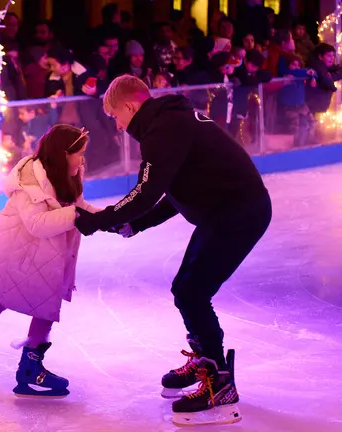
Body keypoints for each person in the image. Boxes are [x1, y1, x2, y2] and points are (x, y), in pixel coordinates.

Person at [73, 75, 272, 426]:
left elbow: (147, 191)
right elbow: (173, 192)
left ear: (131, 107)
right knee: (187, 289)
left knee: (192, 292)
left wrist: (103, 219)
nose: (118, 127)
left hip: (239, 212)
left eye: (116, 117)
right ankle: (206, 360)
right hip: (225, 212)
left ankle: (220, 384)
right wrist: (135, 223)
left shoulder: (163, 130)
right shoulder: (169, 122)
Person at [0, 124, 101, 397]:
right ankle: (28, 369)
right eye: (79, 154)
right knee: (35, 300)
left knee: (22, 298)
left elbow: (79, 208)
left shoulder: (66, 176)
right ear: (62, 154)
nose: (82, 159)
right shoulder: (31, 180)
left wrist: (110, 217)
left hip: (41, 253)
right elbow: (37, 223)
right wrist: (77, 216)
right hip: (19, 251)